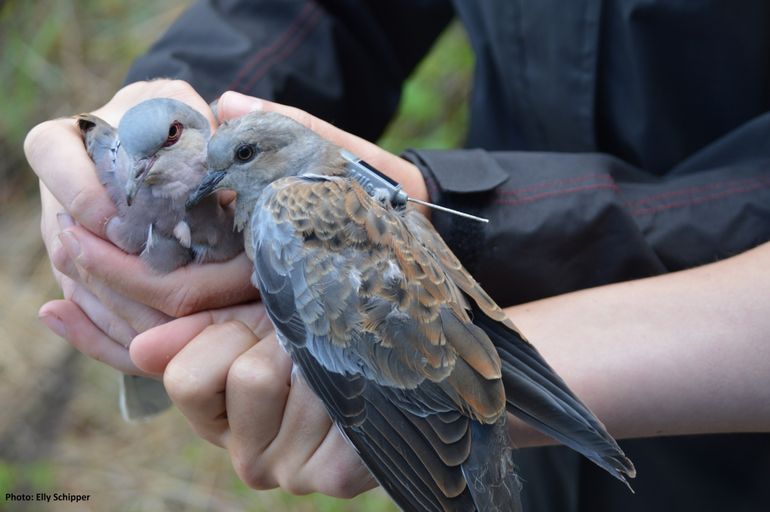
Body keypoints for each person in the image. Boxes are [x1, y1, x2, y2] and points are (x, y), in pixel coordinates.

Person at [25, 1, 770, 510]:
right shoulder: (240, 186)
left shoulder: (294, 209)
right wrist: (159, 105)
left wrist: (466, 214)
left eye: (235, 158)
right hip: (536, 435)